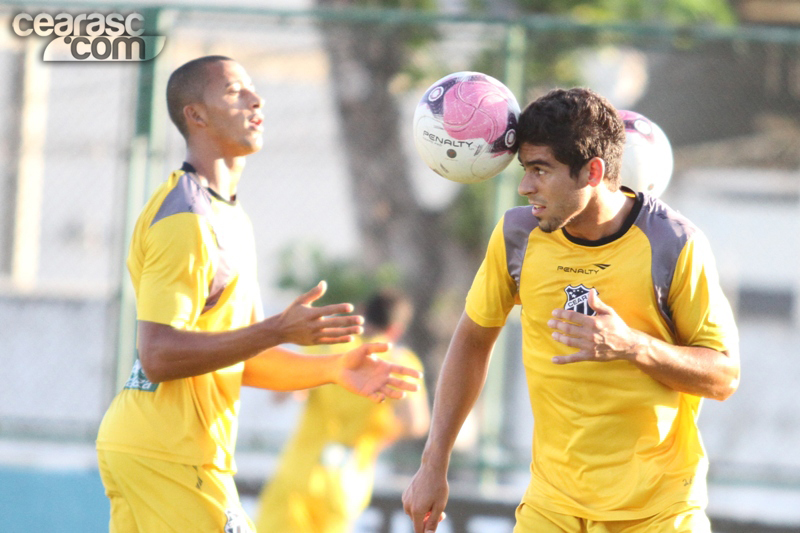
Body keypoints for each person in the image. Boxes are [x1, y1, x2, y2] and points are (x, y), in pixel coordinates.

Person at [95, 56, 421, 533]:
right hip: (170, 453)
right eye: (234, 91)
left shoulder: (229, 218)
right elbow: (158, 354)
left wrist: (333, 369)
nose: (255, 99)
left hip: (169, 452)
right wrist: (276, 329)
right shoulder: (187, 220)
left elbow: (243, 359)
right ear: (196, 115)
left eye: (252, 88)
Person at [402, 87, 740, 533]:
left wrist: (632, 346)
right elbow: (472, 341)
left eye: (540, 170)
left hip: (658, 512)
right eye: (525, 169)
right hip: (552, 506)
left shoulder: (675, 245)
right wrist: (433, 463)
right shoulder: (516, 236)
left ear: (592, 171)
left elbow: (723, 376)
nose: (525, 186)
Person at [255, 288, 430, 533]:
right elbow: (417, 423)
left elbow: (279, 393)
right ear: (395, 329)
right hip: (348, 480)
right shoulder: (397, 361)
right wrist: (377, 438)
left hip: (299, 471)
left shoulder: (329, 345)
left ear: (362, 311)